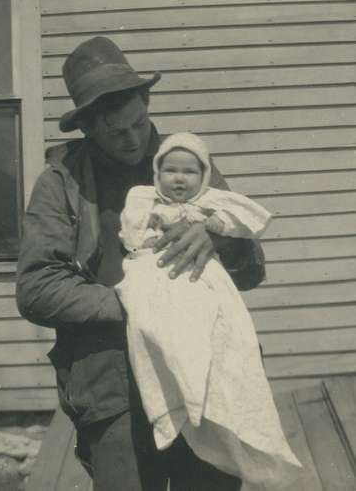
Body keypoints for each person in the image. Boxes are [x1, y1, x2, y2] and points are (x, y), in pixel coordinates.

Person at [15, 36, 267, 491]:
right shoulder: (60, 183)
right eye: (115, 131)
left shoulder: (184, 164)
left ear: (147, 104)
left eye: (140, 123)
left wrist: (217, 240)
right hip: (112, 381)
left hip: (201, 369)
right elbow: (37, 288)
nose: (134, 141)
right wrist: (136, 304)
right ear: (88, 128)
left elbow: (251, 270)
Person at [116, 132, 301, 490]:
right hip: (154, 281)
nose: (179, 179)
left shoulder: (211, 202)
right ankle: (174, 408)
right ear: (157, 174)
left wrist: (213, 229)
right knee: (149, 330)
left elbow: (250, 218)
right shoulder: (144, 199)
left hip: (201, 282)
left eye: (189, 172)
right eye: (170, 170)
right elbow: (131, 233)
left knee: (227, 334)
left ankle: (215, 410)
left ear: (203, 176)